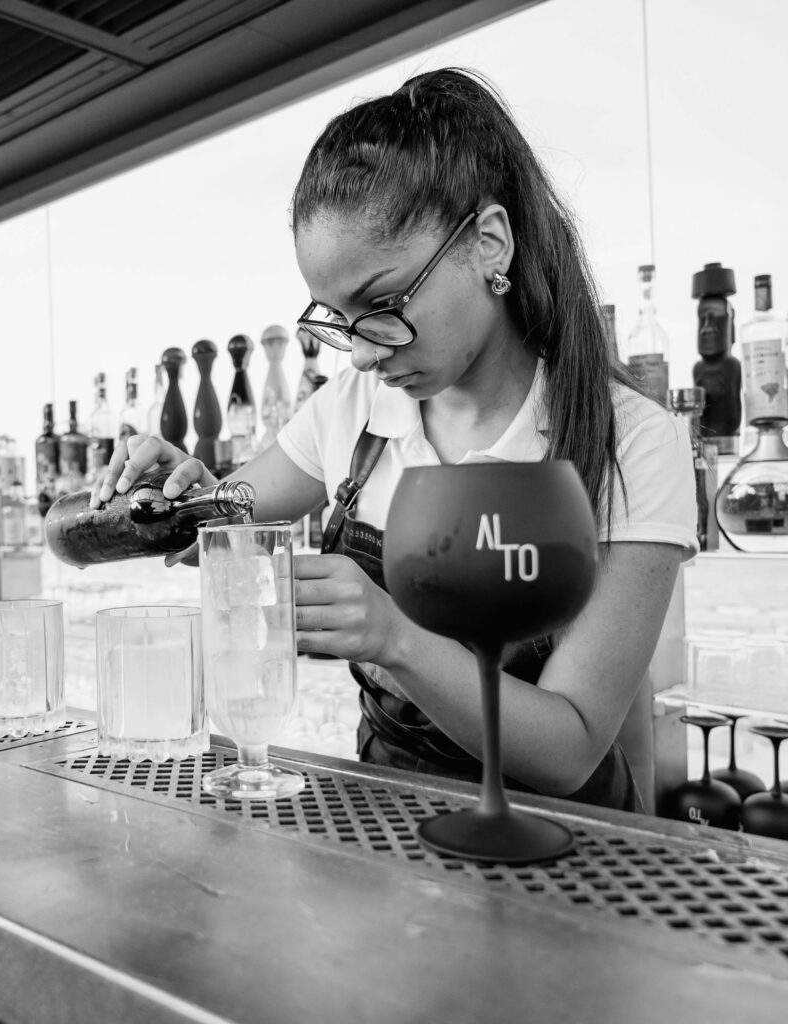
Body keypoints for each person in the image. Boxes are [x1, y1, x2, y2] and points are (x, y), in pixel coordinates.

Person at [92, 68, 696, 811]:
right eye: (338, 318)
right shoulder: (352, 409)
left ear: (489, 244)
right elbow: (228, 518)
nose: (362, 354)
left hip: (563, 852)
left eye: (383, 304)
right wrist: (178, 497)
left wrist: (393, 637)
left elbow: (570, 750)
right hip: (384, 820)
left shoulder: (632, 443)